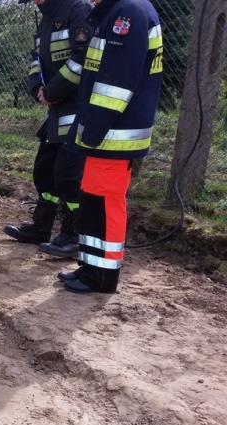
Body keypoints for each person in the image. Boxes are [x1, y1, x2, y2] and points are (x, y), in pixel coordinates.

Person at [58, 0, 163, 293]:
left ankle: (102, 277)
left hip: (113, 134)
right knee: (94, 201)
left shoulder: (129, 12)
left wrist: (93, 128)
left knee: (104, 204)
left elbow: (117, 81)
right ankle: (91, 267)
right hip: (106, 133)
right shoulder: (123, 10)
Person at [4, 0, 92, 258]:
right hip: (56, 109)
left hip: (79, 107)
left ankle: (74, 235)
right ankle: (41, 226)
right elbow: (37, 60)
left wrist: (52, 91)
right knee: (44, 169)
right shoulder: (45, 16)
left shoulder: (78, 9)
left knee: (68, 174)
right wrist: (37, 89)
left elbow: (83, 58)